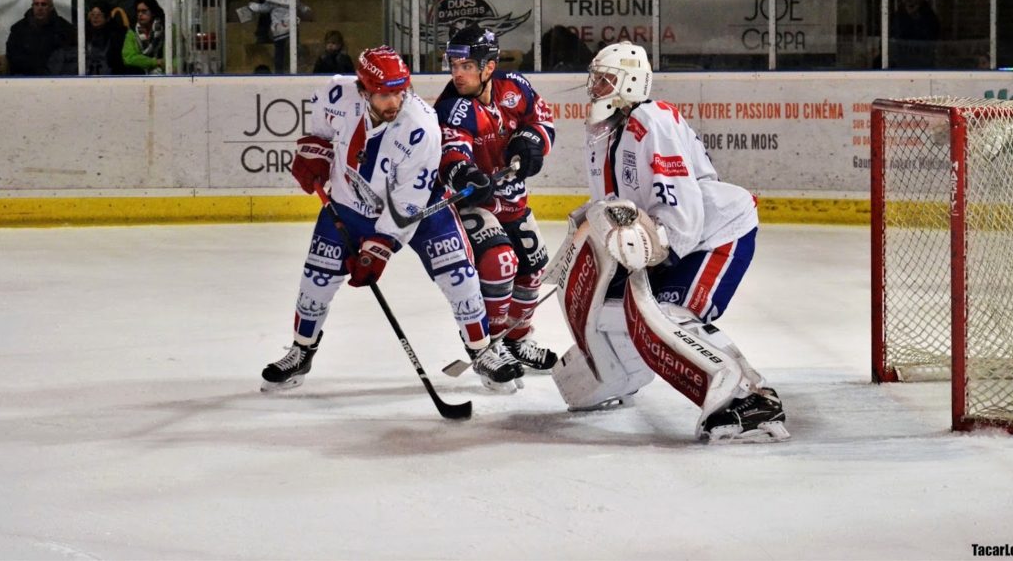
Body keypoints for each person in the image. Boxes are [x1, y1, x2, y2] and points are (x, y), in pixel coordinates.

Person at [546, 40, 789, 443]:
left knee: (670, 314)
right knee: (617, 310)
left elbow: (684, 214)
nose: (595, 88)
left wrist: (655, 244)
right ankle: (616, 375)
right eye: (596, 80)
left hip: (715, 234)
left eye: (605, 80)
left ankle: (751, 397)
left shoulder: (652, 121)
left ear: (631, 83)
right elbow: (611, 206)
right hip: (672, 240)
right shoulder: (606, 133)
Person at [261, 46, 521, 393]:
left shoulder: (421, 126)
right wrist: (314, 154)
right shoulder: (337, 92)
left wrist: (378, 248)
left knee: (459, 276)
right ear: (364, 90)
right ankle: (301, 350)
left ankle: (482, 350)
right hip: (348, 204)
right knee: (316, 280)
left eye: (400, 91)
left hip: (422, 207)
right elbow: (320, 131)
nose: (394, 102)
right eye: (384, 94)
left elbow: (407, 203)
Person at [433, 25, 558, 371]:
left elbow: (543, 120)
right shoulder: (452, 107)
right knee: (501, 261)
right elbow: (452, 153)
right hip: (474, 203)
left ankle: (517, 339)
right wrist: (465, 174)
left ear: (489, 67)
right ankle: (491, 342)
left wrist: (531, 142)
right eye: (453, 65)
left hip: (513, 199)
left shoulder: (514, 87)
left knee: (534, 267)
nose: (457, 73)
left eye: (466, 66)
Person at [5, 0, 76, 75]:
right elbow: (12, 56)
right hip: (26, 78)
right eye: (36, 4)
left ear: (51, 7)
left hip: (56, 79)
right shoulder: (18, 29)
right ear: (32, 6)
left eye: (44, 4)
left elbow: (72, 55)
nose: (40, 8)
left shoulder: (64, 28)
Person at [247, 0, 312, 73]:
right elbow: (302, 7)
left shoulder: (272, 1)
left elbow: (262, 8)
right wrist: (307, 10)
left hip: (279, 29)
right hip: (291, 27)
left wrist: (251, 5)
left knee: (279, 51)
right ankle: (296, 69)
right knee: (294, 49)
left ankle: (279, 71)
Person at [122, 0, 165, 74]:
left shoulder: (168, 29)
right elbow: (129, 58)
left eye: (144, 11)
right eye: (138, 11)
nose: (140, 14)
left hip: (167, 74)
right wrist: (155, 62)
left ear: (153, 12)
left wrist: (167, 65)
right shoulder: (132, 32)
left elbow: (177, 57)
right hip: (140, 75)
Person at [84, 1, 127, 75]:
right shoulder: (83, 33)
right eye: (92, 14)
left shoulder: (117, 35)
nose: (95, 17)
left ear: (108, 18)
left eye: (99, 14)